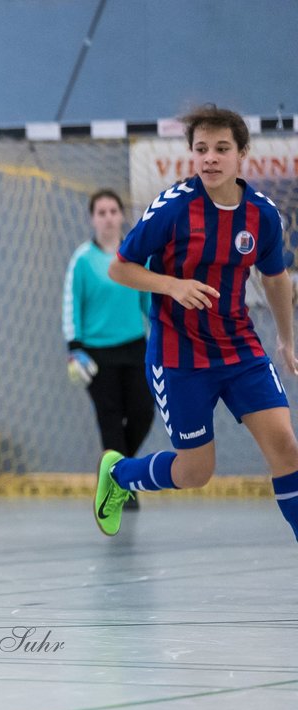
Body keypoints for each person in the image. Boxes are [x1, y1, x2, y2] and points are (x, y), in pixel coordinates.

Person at [93, 104, 298, 538]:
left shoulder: (261, 215)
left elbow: (276, 278)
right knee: (195, 471)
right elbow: (120, 268)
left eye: (221, 148)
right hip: (179, 355)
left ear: (242, 154)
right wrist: (172, 286)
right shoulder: (172, 209)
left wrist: (285, 338)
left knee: (286, 448)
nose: (210, 157)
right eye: (201, 148)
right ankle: (119, 475)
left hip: (240, 348)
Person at [63, 189, 154, 511]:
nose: (108, 217)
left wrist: (161, 333)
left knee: (144, 413)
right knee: (111, 420)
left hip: (135, 348)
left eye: (113, 211)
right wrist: (74, 347)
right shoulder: (82, 260)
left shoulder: (135, 256)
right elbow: (71, 305)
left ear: (121, 215)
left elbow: (148, 300)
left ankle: (116, 475)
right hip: (96, 354)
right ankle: (123, 488)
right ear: (92, 218)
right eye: (101, 212)